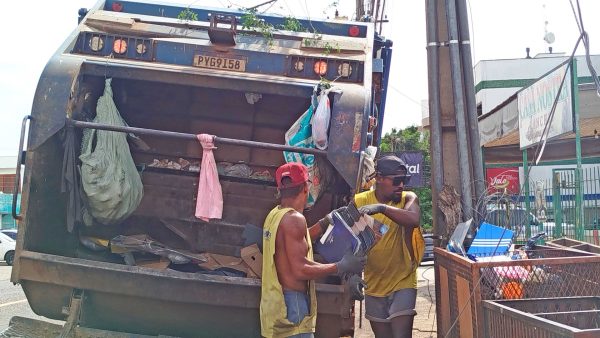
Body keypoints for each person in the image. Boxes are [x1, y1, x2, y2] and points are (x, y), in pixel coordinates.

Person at [260, 162, 367, 338]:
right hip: (292, 305)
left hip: (276, 304)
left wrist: (324, 223)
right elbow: (300, 269)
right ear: (305, 187)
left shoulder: (275, 215)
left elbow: (292, 242)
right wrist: (340, 266)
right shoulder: (295, 220)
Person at [354, 155, 425, 338]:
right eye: (396, 180)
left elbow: (413, 219)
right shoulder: (360, 201)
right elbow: (349, 240)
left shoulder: (407, 199)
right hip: (374, 282)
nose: (401, 185)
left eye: (404, 180)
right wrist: (351, 276)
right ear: (379, 178)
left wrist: (381, 208)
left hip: (403, 280)